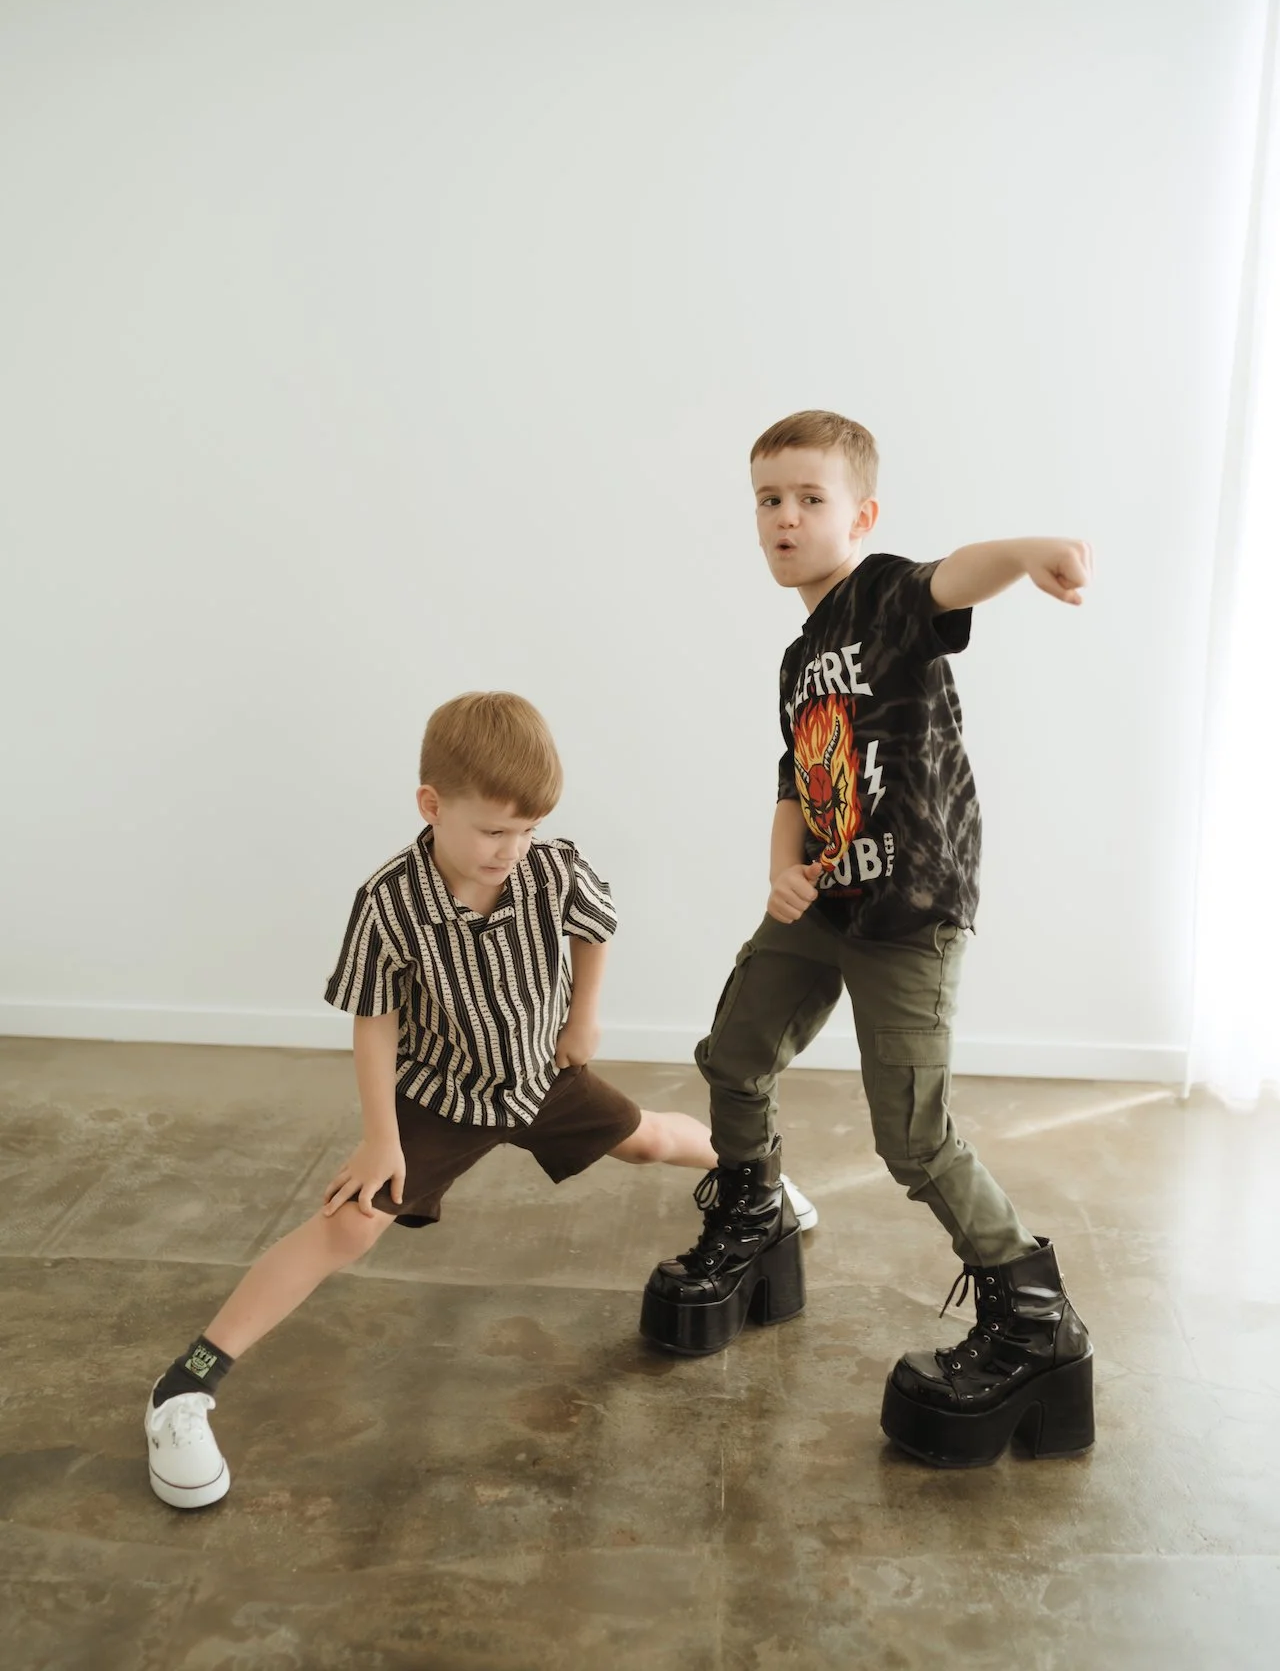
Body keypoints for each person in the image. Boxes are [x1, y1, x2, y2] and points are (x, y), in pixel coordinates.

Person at [143, 691, 816, 1508]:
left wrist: (583, 1016)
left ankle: (759, 1180)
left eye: (528, 829)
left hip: (538, 1075)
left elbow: (594, 926)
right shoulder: (389, 903)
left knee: (648, 1140)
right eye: (495, 831)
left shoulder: (549, 867)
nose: (513, 849)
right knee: (349, 1225)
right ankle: (184, 1389)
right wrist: (381, 1137)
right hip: (443, 1093)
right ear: (432, 806)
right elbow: (373, 1022)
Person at [639, 412, 1095, 1469]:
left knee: (913, 1139)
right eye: (768, 500)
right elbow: (795, 779)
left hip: (907, 914)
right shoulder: (800, 655)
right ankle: (753, 1218)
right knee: (734, 1052)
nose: (785, 518)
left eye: (810, 499)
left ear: (862, 516)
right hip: (820, 907)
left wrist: (1027, 552)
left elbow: (955, 576)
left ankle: (1034, 1318)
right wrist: (781, 870)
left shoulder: (885, 595)